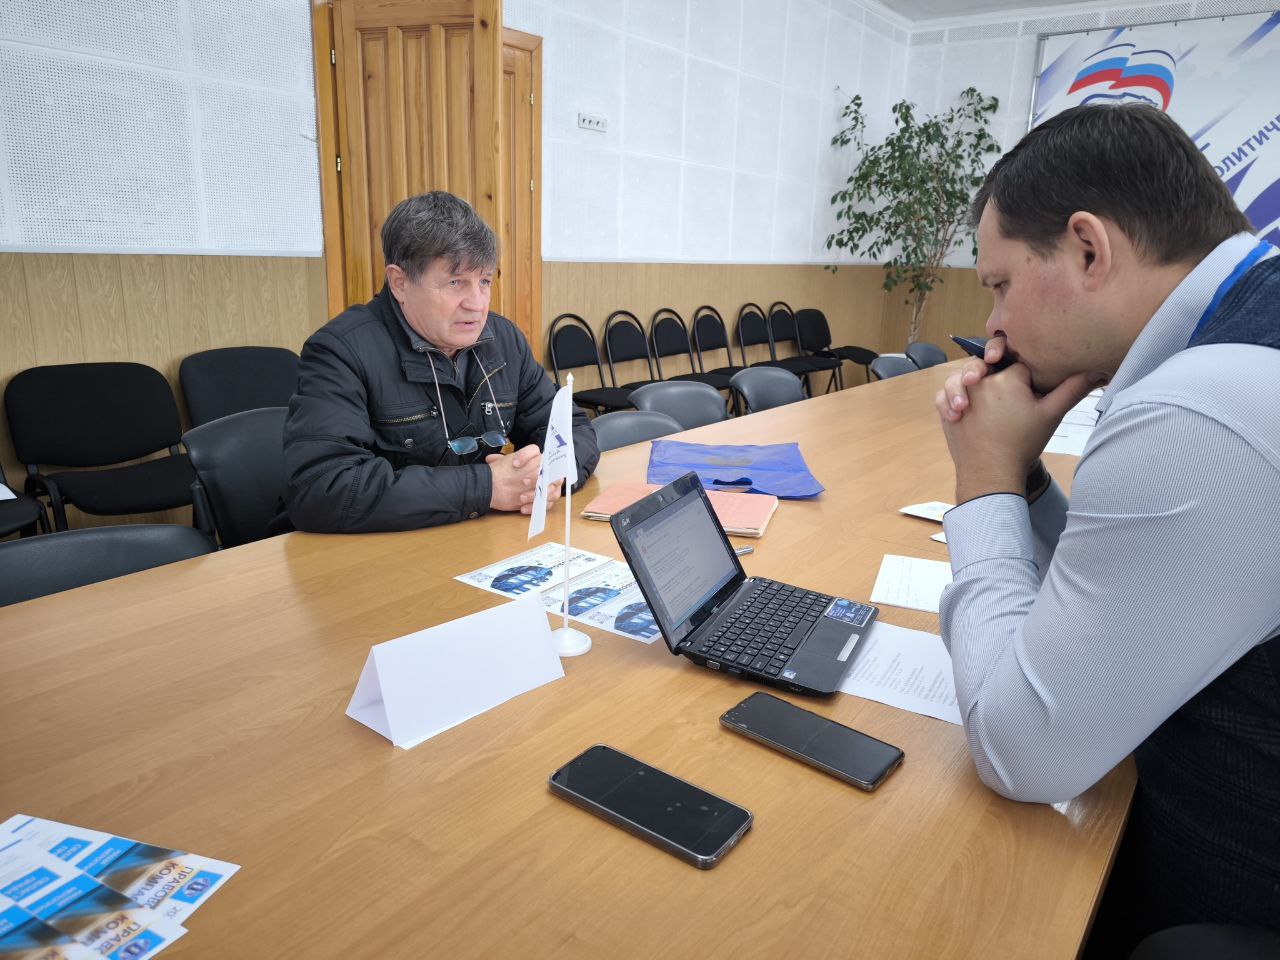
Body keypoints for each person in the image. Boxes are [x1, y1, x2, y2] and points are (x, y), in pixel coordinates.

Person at [933, 104, 1280, 954]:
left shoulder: (1205, 407)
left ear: (1089, 249)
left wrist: (980, 483)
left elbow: (1021, 751)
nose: (993, 331)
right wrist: (1021, 474)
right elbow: (1126, 594)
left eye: (1001, 285)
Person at [282, 191, 599, 532]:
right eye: (455, 283)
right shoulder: (341, 352)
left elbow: (572, 428)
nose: (477, 304)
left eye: (484, 281)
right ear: (400, 283)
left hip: (472, 539)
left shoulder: (504, 339)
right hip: (378, 556)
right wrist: (486, 487)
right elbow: (322, 488)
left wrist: (550, 472)